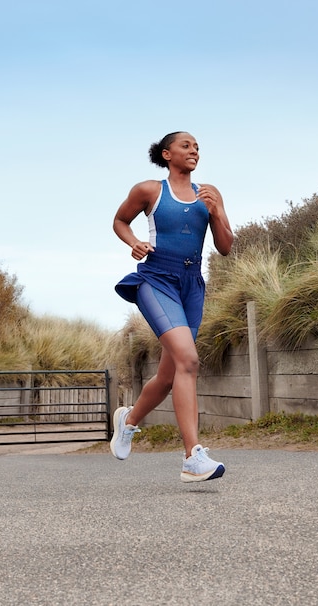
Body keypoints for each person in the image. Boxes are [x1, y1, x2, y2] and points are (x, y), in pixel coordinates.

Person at [111, 131, 234, 482]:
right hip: (157, 279)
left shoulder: (209, 193)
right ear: (167, 154)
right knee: (189, 360)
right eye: (186, 145)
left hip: (192, 286)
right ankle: (192, 457)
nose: (194, 150)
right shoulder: (149, 190)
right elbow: (120, 220)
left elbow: (225, 247)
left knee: (168, 376)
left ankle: (129, 420)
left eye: (197, 147)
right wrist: (134, 242)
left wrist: (218, 211)